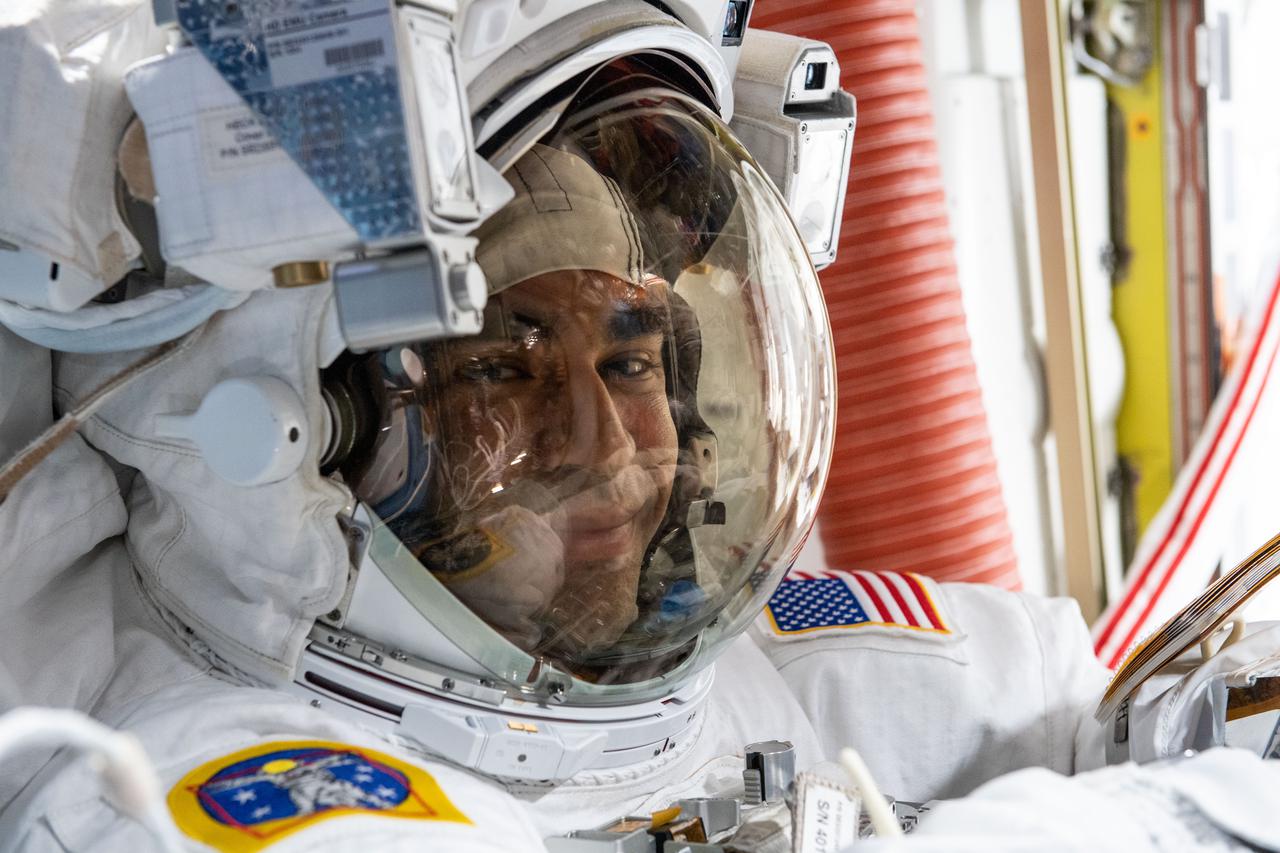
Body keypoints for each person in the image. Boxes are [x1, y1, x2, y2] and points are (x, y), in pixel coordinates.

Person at [1, 7, 1280, 852]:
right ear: (298, 443)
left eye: (629, 356)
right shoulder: (200, 788)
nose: (603, 441)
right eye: (502, 364)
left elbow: (1089, 708)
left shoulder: (769, 669)